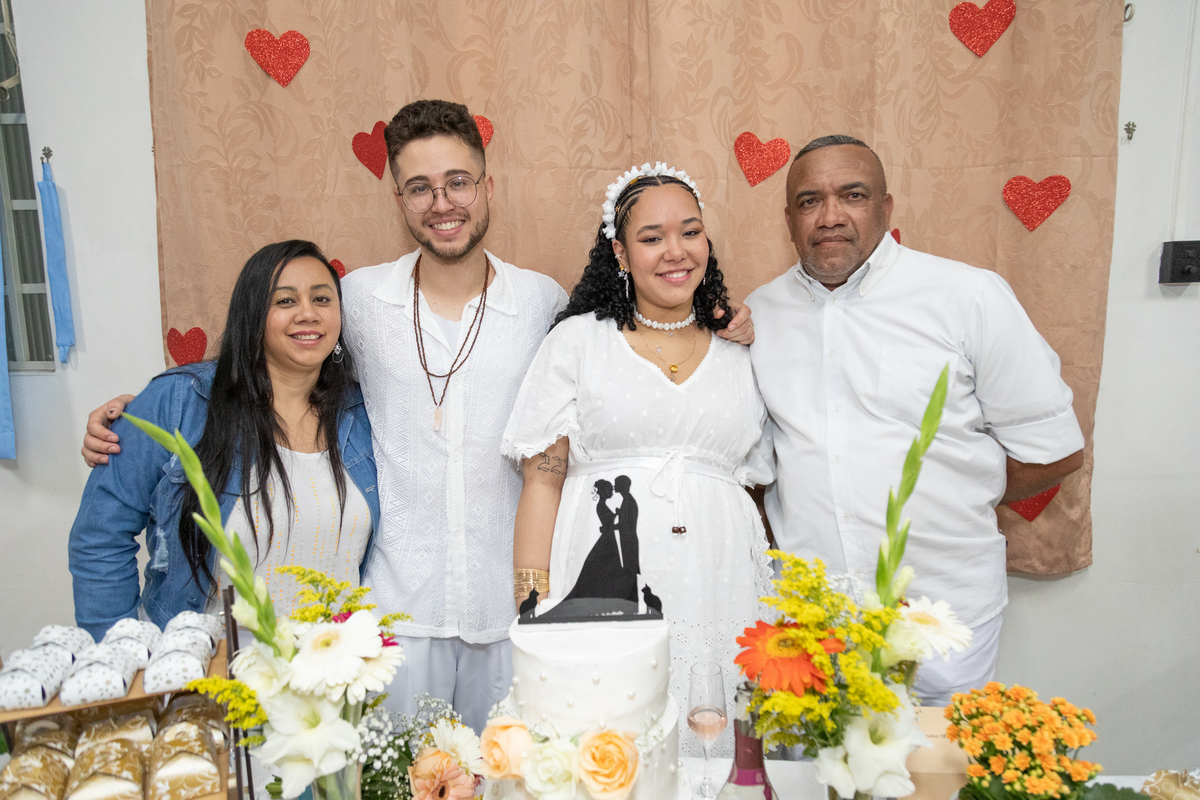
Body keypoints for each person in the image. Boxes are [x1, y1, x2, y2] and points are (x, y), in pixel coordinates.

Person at [79, 101, 754, 732]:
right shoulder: (356, 299)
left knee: (511, 778)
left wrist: (726, 322)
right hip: (392, 615)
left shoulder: (543, 304)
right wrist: (143, 413)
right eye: (420, 187)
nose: (442, 203)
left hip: (507, 613)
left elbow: (629, 355)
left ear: (488, 188)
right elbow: (277, 360)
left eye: (458, 182)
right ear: (398, 199)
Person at [746, 135, 1086, 706]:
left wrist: (961, 490)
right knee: (811, 761)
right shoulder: (760, 314)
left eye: (852, 195)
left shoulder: (967, 296)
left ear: (885, 207)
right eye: (809, 201)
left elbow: (1055, 450)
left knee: (933, 760)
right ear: (788, 219)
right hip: (812, 620)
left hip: (940, 613)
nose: (830, 216)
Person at [503, 163, 773, 755]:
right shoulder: (578, 341)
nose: (676, 251)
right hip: (606, 581)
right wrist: (530, 604)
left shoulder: (741, 350)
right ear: (621, 254)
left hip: (721, 580)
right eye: (652, 238)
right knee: (611, 747)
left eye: (690, 232)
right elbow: (542, 482)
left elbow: (755, 491)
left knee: (717, 744)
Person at [69, 240, 378, 641]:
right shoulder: (180, 401)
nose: (308, 313)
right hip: (206, 662)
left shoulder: (367, 413)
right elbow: (100, 534)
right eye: (285, 301)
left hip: (329, 663)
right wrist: (119, 650)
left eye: (322, 298)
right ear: (252, 315)